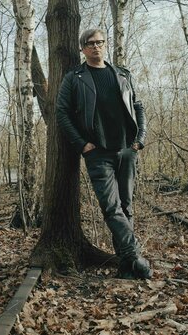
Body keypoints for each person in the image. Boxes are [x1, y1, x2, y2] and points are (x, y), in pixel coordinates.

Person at [56, 28, 152, 279]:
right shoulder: (75, 78)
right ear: (82, 48)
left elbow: (138, 107)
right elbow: (62, 113)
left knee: (127, 207)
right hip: (98, 153)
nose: (96, 47)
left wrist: (139, 140)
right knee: (111, 208)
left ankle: (125, 266)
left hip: (127, 150)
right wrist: (82, 144)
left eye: (100, 42)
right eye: (91, 43)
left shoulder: (122, 74)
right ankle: (134, 256)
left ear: (105, 45)